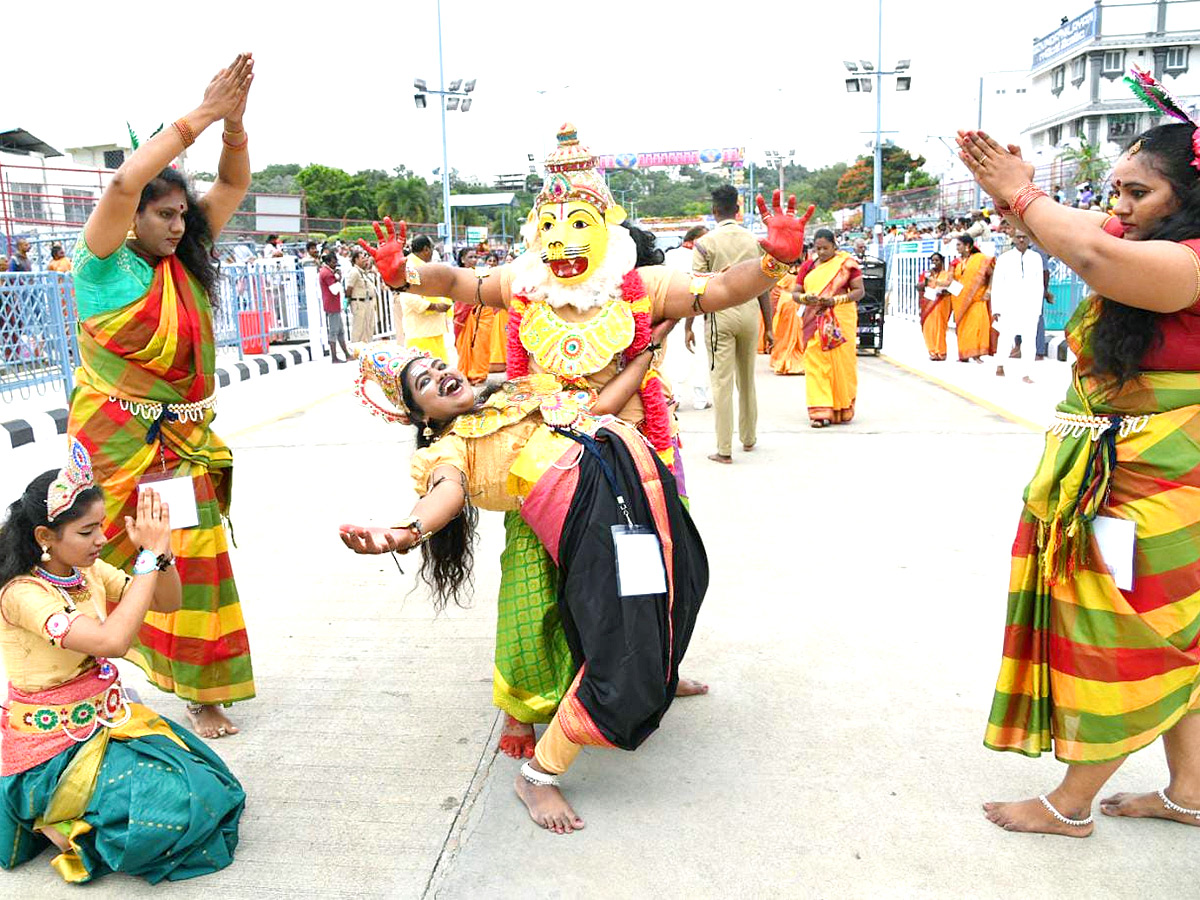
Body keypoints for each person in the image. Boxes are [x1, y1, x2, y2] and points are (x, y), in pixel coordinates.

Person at [356, 123, 810, 761]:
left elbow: (724, 290)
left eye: (578, 226)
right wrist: (405, 274)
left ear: (609, 230)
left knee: (655, 570)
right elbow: (457, 284)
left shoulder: (642, 286)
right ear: (534, 233)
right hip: (539, 461)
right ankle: (523, 706)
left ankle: (656, 669)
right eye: (550, 228)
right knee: (531, 584)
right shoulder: (524, 286)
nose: (562, 243)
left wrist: (774, 261)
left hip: (632, 453)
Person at [959, 66, 1200, 837]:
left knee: (1122, 629)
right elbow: (1080, 240)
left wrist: (1025, 196)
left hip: (1161, 484)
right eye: (1115, 190)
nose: (1117, 208)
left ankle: (1070, 805)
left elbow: (1091, 257)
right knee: (1180, 635)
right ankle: (1191, 791)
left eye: (1138, 194)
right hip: (1127, 473)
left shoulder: (1188, 261)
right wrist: (1015, 195)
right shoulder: (1148, 246)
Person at [339, 340, 704, 835]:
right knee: (619, 647)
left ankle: (661, 673)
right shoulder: (449, 449)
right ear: (423, 418)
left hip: (633, 484)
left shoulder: (517, 391)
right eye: (424, 383)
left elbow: (595, 409)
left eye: (436, 365)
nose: (439, 374)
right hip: (588, 516)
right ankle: (539, 775)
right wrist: (404, 532)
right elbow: (445, 494)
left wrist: (644, 356)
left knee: (682, 580)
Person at [67, 54, 256, 740]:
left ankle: (204, 692)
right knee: (87, 556)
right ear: (135, 218)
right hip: (111, 449)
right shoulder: (101, 262)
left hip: (177, 450)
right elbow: (123, 181)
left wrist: (234, 125)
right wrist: (202, 113)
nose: (178, 227)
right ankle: (76, 675)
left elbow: (236, 181)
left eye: (183, 215)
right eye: (164, 214)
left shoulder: (183, 265)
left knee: (187, 564)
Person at [0, 441, 244, 883]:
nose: (101, 540)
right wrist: (147, 558)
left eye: (102, 527)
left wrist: (162, 553)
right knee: (175, 811)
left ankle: (79, 821)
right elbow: (112, 641)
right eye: (87, 531)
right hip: (51, 752)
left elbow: (169, 600)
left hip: (102, 722)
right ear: (44, 538)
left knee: (212, 784)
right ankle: (61, 822)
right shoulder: (22, 595)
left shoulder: (86, 571)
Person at [691, 185, 774, 464]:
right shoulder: (754, 242)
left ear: (715, 211)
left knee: (722, 383)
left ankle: (724, 449)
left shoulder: (705, 243)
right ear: (737, 211)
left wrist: (689, 326)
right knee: (747, 378)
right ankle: (749, 438)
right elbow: (764, 286)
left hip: (719, 315)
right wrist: (770, 326)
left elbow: (697, 288)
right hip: (750, 313)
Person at [789, 228, 864, 426]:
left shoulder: (846, 264)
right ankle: (820, 412)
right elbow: (795, 293)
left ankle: (840, 408)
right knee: (815, 362)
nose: (821, 252)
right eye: (818, 248)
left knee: (841, 363)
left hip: (840, 317)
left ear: (834, 245)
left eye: (825, 248)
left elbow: (859, 291)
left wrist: (835, 300)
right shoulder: (808, 266)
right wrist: (807, 298)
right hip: (814, 319)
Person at [662, 226, 712, 408]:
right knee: (699, 352)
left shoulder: (670, 256)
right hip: (698, 309)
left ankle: (675, 397)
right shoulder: (702, 258)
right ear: (693, 239)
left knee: (675, 352)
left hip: (672, 310)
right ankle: (700, 399)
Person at [990, 231, 1046, 381]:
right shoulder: (1004, 259)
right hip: (1009, 306)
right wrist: (996, 308)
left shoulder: (1036, 258)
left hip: (1030, 307)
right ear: (1013, 239)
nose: (1021, 240)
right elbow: (997, 284)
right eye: (1018, 237)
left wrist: (1038, 308)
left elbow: (1039, 285)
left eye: (1024, 237)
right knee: (1006, 338)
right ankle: (1000, 364)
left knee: (1029, 340)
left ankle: (1026, 373)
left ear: (1029, 239)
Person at [402, 235, 452, 358]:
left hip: (432, 328)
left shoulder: (421, 265)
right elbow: (408, 296)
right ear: (426, 249)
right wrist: (434, 306)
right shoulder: (411, 267)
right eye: (432, 248)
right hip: (421, 330)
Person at [451, 246, 494, 384]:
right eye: (470, 257)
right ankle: (464, 372)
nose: (474, 260)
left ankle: (478, 374)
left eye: (476, 257)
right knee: (465, 345)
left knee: (481, 344)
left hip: (482, 313)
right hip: (464, 313)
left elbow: (489, 288)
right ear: (463, 259)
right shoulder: (457, 274)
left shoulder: (481, 272)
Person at [949, 233, 994, 362]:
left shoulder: (980, 259)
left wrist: (989, 290)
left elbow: (991, 274)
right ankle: (964, 354)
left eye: (959, 245)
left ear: (967, 246)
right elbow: (950, 279)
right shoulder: (956, 262)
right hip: (960, 299)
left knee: (977, 325)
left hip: (977, 298)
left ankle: (977, 354)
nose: (957, 248)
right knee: (963, 327)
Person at [917, 251, 953, 361]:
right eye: (932, 260)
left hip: (942, 302)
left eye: (937, 260)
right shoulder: (927, 274)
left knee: (940, 327)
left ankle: (941, 352)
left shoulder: (947, 274)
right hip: (928, 303)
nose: (934, 262)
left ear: (942, 262)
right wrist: (926, 281)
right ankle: (932, 351)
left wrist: (944, 289)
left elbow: (953, 288)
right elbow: (919, 287)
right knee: (928, 327)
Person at [320, 250, 351, 363]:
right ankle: (334, 357)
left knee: (340, 331)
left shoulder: (326, 272)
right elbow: (334, 290)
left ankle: (346, 354)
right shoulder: (327, 274)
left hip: (333, 305)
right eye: (333, 263)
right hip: (332, 305)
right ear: (328, 262)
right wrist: (339, 278)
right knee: (334, 331)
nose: (335, 265)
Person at [345, 248, 379, 343]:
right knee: (359, 329)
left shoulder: (362, 272)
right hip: (359, 303)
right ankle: (355, 349)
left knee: (368, 328)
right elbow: (349, 288)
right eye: (362, 258)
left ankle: (366, 349)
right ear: (356, 259)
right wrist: (347, 301)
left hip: (367, 303)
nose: (365, 260)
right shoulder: (354, 272)